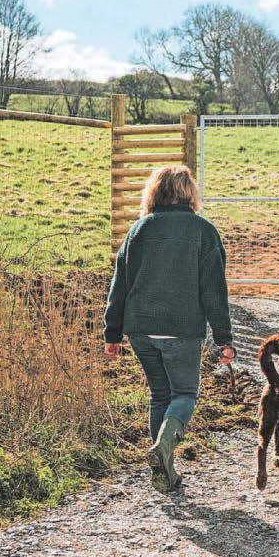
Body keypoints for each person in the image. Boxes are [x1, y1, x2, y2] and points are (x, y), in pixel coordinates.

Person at [103, 165, 236, 494]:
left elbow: (120, 283)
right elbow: (214, 291)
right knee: (185, 394)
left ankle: (163, 473)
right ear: (189, 193)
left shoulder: (139, 230)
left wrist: (112, 332)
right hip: (182, 330)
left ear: (155, 192)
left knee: (160, 395)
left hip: (141, 329)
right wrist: (224, 339)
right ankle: (163, 450)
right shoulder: (204, 232)